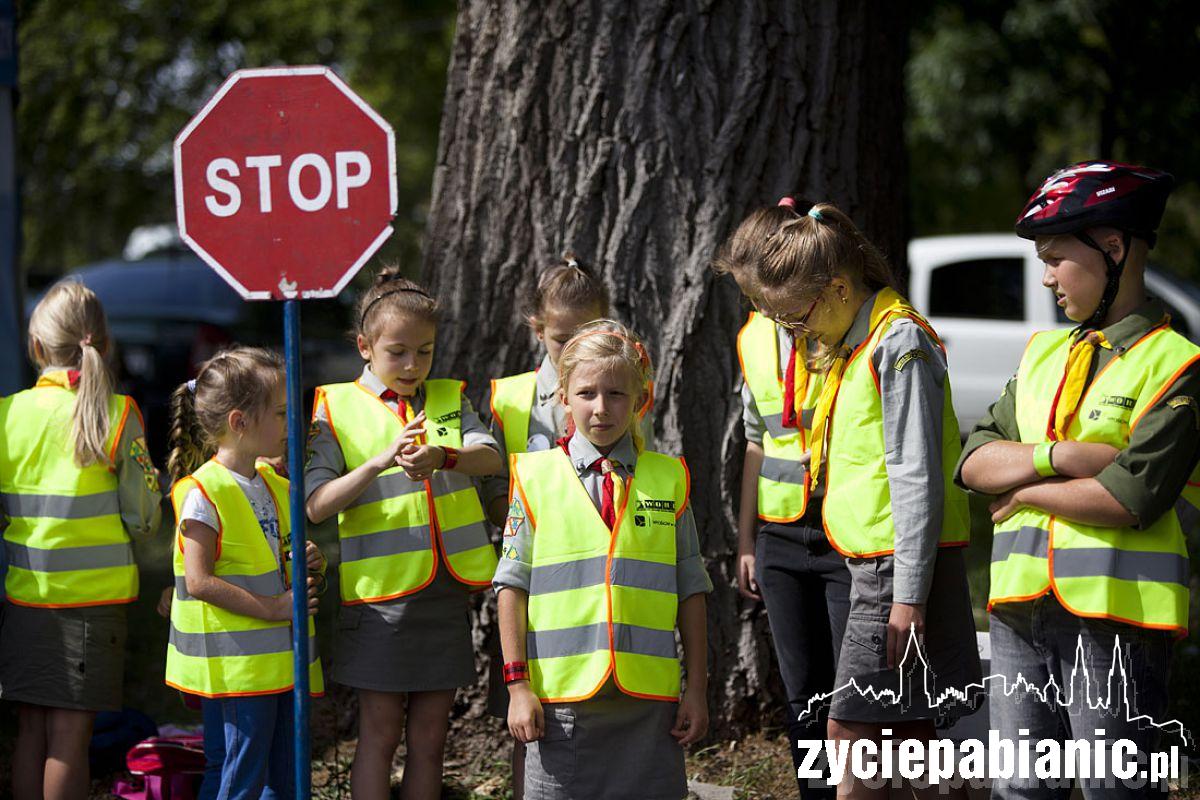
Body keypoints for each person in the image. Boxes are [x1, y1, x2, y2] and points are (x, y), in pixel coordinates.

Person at [956, 161, 1197, 799]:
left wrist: (1024, 488)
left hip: (1115, 622)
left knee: (1111, 792)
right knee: (1018, 791)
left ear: (1112, 248)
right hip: (1017, 612)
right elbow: (974, 461)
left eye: (1057, 258)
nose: (1045, 276)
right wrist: (1062, 457)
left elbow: (1131, 495)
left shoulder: (1178, 365)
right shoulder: (1042, 353)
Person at [737, 201, 980, 798]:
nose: (796, 335)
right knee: (907, 740)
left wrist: (908, 598)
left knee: (851, 733)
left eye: (797, 319)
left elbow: (916, 472)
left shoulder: (897, 344)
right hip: (873, 561)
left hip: (892, 570)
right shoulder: (855, 341)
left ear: (839, 288)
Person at [305, 267, 503, 800]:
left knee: (432, 737)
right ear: (365, 347)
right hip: (380, 601)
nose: (413, 365)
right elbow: (317, 505)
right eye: (398, 352)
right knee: (379, 733)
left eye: (426, 351)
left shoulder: (446, 399)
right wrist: (379, 463)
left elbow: (491, 458)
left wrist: (445, 455)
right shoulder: (334, 409)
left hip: (444, 594)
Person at [496, 319, 712, 800]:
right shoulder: (533, 478)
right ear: (564, 398)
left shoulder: (669, 478)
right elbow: (510, 587)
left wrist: (695, 688)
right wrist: (517, 686)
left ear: (639, 398)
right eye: (587, 392)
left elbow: (691, 590)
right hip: (563, 703)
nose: (601, 408)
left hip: (649, 705)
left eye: (616, 394)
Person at [482, 252, 649, 798]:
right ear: (537, 330)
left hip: (599, 573)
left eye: (589, 332)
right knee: (526, 708)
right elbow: (484, 458)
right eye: (559, 338)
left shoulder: (619, 388)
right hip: (533, 570)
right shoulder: (508, 396)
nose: (574, 346)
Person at [0, 280, 162, 800]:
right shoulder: (119, 415)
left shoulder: (7, 416)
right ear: (103, 344)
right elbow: (144, 520)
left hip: (27, 598)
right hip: (93, 606)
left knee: (31, 731)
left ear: (36, 346)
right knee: (70, 740)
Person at [713, 196, 850, 798]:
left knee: (856, 696)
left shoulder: (840, 330)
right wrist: (747, 540)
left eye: (760, 290)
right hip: (779, 536)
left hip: (846, 531)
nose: (758, 306)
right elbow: (755, 442)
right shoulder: (752, 340)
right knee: (804, 694)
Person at [164, 346, 324, 800]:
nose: (291, 423)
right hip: (238, 668)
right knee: (239, 773)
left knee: (286, 774)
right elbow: (199, 581)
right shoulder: (202, 493)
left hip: (282, 661)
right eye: (280, 413)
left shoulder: (276, 485)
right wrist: (274, 607)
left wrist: (308, 559)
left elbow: (278, 554)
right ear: (239, 421)